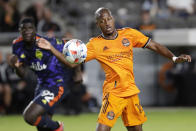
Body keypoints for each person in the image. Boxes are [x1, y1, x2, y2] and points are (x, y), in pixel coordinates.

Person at [37, 7, 191, 131]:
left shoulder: (129, 34)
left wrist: (173, 57)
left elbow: (154, 45)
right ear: (98, 24)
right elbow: (72, 63)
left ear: (113, 18)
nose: (107, 22)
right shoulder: (94, 45)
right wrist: (52, 48)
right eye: (102, 21)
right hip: (113, 94)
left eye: (109, 18)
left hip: (131, 92)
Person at [10, 17, 73, 131]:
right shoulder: (17, 45)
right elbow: (22, 75)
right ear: (20, 30)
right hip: (41, 85)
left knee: (30, 116)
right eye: (24, 28)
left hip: (56, 84)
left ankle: (58, 127)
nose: (27, 31)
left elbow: (72, 46)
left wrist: (77, 72)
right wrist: (16, 67)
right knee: (42, 127)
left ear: (35, 29)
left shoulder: (46, 42)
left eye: (30, 28)